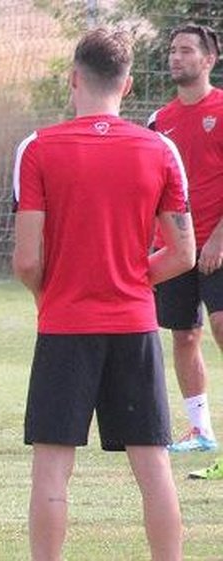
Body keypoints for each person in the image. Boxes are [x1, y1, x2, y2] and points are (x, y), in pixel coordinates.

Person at [12, 28, 194, 561]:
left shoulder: (38, 148)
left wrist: (56, 291)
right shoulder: (160, 148)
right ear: (129, 86)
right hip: (134, 325)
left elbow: (26, 260)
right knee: (153, 464)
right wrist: (132, 278)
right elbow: (182, 253)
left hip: (65, 324)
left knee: (52, 465)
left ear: (73, 79)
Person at [147, 23, 223, 475]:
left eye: (187, 50)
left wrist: (217, 239)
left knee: (220, 325)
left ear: (209, 59)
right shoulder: (160, 120)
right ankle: (200, 430)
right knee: (183, 334)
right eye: (173, 50)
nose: (177, 57)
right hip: (174, 248)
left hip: (217, 245)